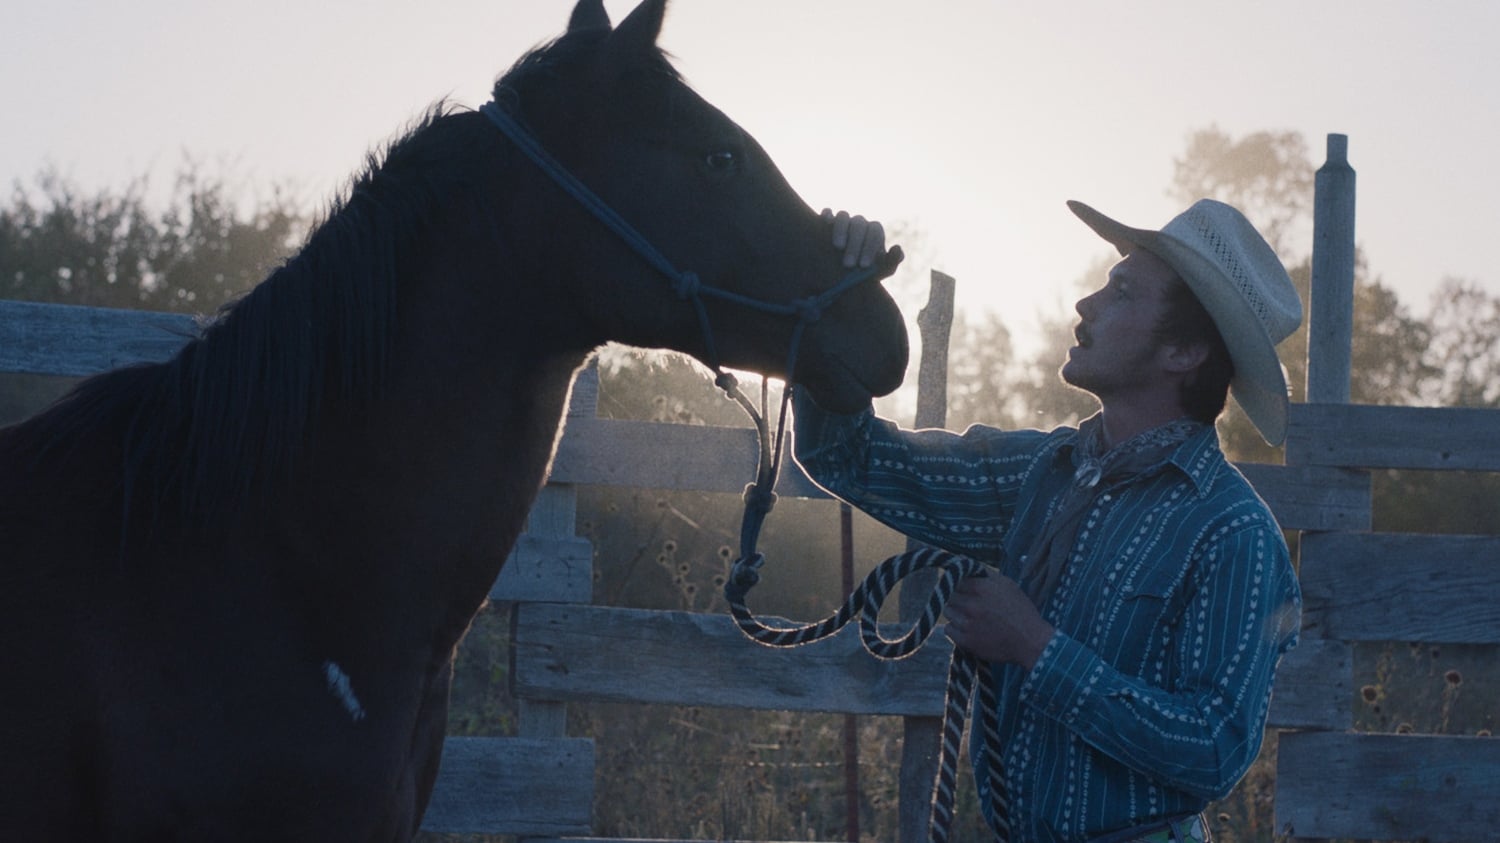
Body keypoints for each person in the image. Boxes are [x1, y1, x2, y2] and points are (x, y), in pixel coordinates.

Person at [804, 201, 1303, 843]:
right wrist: (831, 290)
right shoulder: (1041, 474)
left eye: (1120, 292)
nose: (1086, 305)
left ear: (1183, 351)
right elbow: (846, 455)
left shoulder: (1232, 533)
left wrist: (1035, 648)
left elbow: (1211, 752)